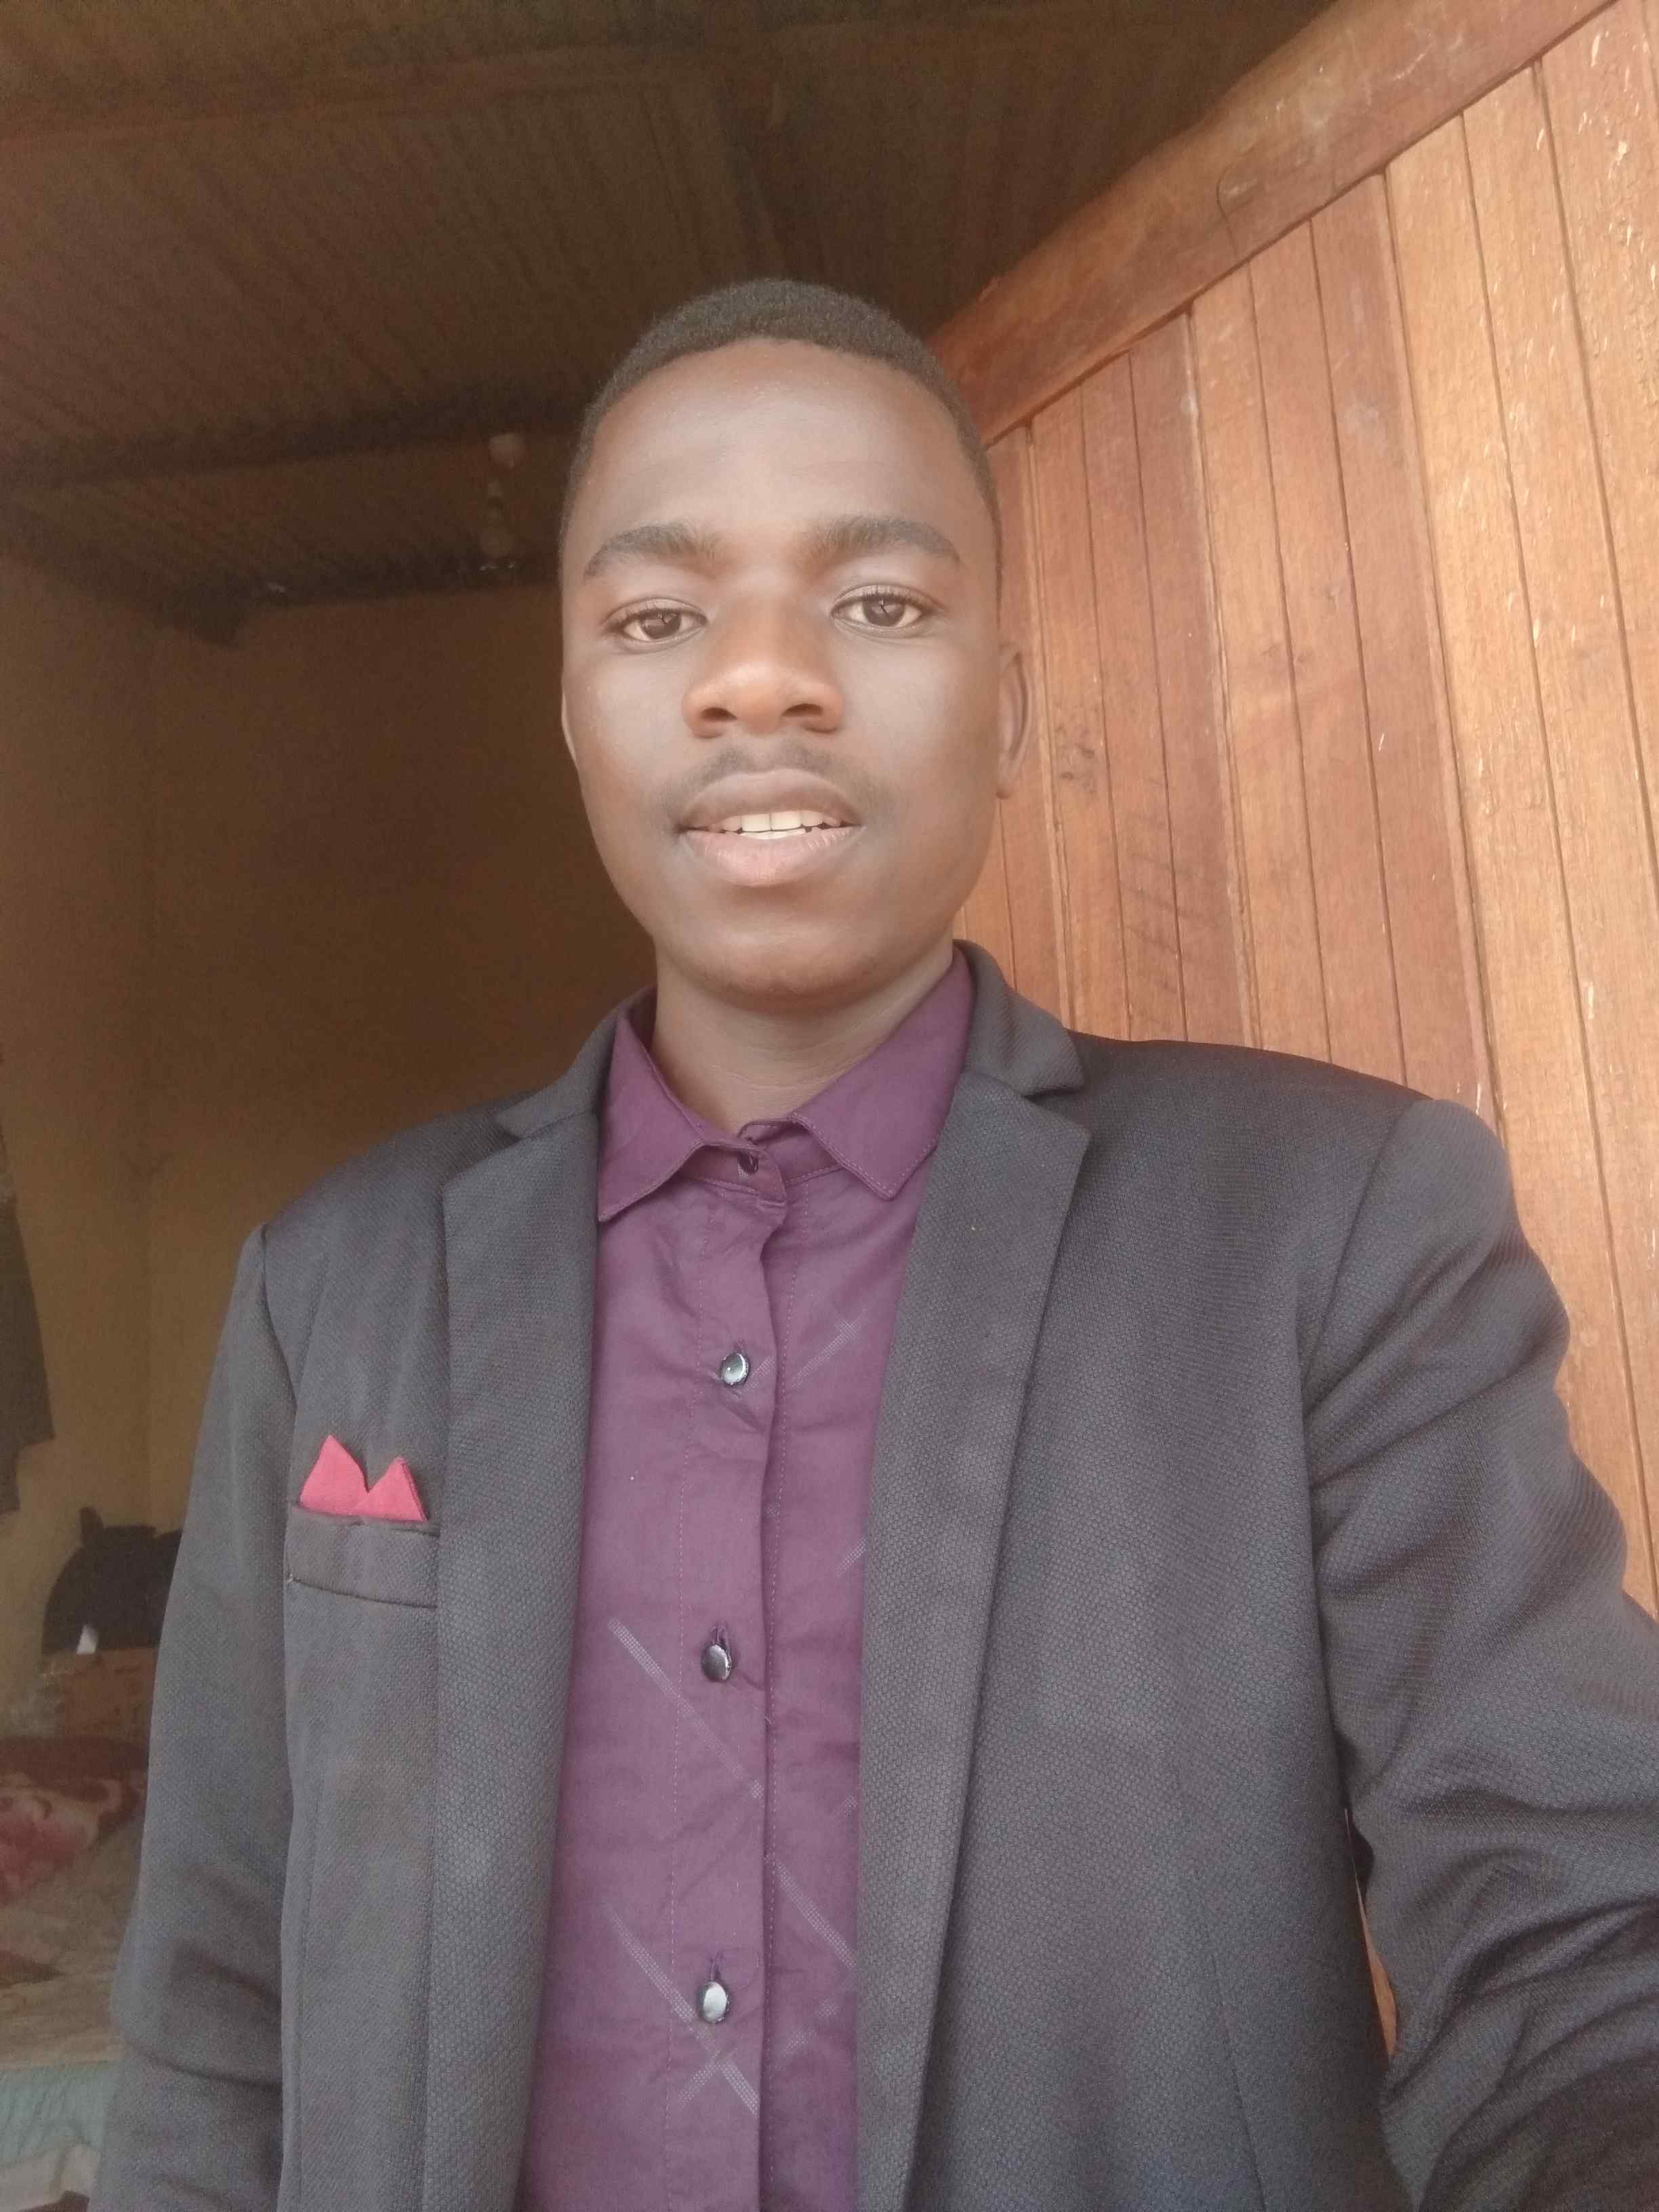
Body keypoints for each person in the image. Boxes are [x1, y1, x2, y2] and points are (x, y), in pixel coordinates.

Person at [93, 279, 1659, 2212]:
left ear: (1008, 712)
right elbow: (216, 2011)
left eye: (882, 604)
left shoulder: (1330, 1234)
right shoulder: (335, 1287)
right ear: (575, 716)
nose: (761, 682)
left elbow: (1581, 1938)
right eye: (658, 620)